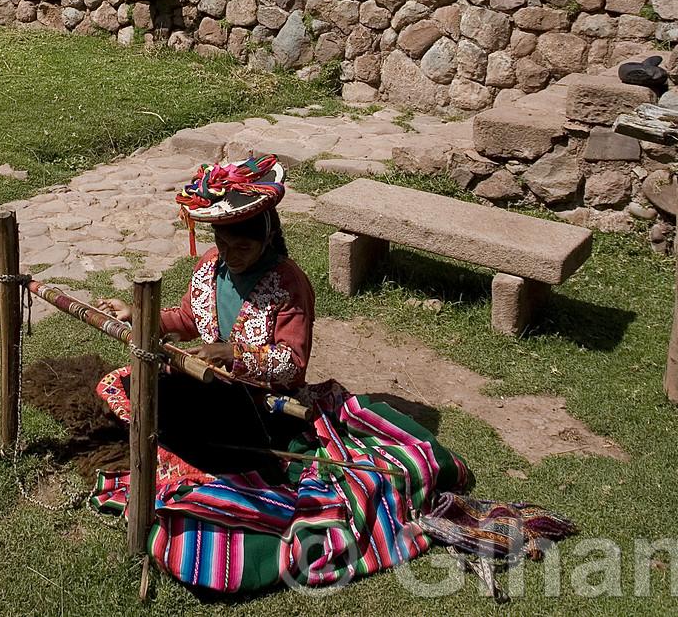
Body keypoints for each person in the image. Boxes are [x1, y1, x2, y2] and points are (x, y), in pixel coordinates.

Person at [85, 154, 573, 594]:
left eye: (241, 242)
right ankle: (189, 444)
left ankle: (214, 465)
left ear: (265, 234)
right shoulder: (210, 269)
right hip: (214, 389)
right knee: (130, 381)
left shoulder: (290, 285)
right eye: (223, 240)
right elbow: (190, 317)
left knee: (227, 442)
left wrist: (233, 354)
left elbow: (292, 365)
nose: (231, 251)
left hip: (261, 406)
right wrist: (138, 315)